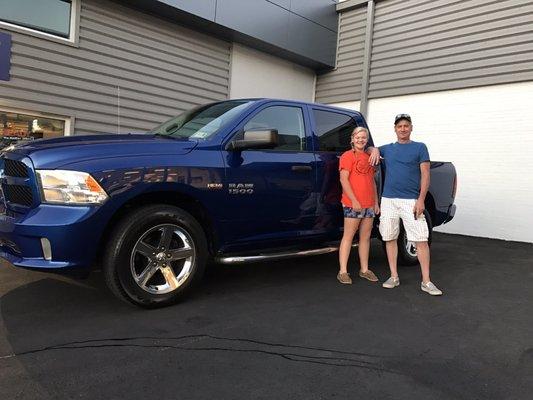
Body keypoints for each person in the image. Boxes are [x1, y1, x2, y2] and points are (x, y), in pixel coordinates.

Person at [379, 114, 443, 295]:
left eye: (406, 126)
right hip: (388, 200)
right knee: (389, 237)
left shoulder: (420, 148)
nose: (403, 129)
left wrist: (421, 199)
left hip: (411, 201)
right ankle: (393, 276)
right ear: (395, 129)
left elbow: (426, 175)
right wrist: (374, 150)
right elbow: (369, 148)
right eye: (399, 126)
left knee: (421, 239)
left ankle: (426, 281)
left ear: (411, 128)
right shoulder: (387, 149)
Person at [337, 127, 380, 285]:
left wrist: (375, 202)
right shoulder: (347, 156)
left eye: (363, 137)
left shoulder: (369, 156)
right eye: (358, 137)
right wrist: (354, 200)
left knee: (365, 238)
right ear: (352, 138)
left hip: (368, 204)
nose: (361, 140)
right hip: (352, 204)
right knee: (348, 236)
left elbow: (372, 182)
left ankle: (364, 269)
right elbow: (344, 180)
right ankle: (343, 271)